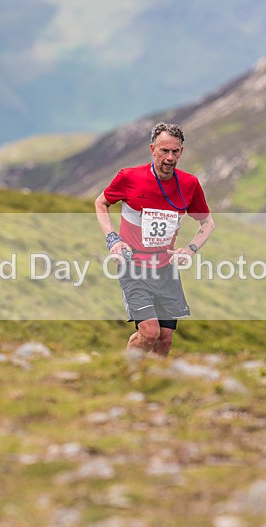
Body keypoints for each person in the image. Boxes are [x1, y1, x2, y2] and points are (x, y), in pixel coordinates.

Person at [95, 122, 216, 356]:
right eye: (164, 151)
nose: (170, 157)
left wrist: (190, 250)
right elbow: (101, 202)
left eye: (175, 151)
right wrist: (113, 239)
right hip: (134, 266)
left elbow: (207, 223)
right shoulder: (129, 177)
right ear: (153, 149)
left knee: (165, 340)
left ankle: (152, 384)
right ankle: (128, 376)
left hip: (166, 270)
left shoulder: (189, 184)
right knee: (150, 332)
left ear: (181, 151)